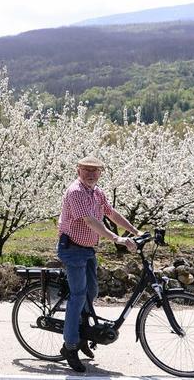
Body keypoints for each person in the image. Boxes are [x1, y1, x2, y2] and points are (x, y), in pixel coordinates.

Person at [56, 156, 141, 373]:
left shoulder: (96, 192)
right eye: (86, 169)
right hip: (72, 249)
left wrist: (135, 231)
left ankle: (83, 333)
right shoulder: (76, 192)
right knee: (78, 295)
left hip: (87, 249)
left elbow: (110, 213)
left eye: (95, 170)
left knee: (91, 292)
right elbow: (90, 221)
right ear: (78, 170)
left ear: (101, 173)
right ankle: (70, 345)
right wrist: (116, 239)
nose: (91, 173)